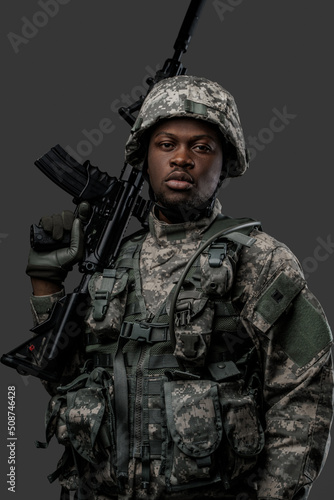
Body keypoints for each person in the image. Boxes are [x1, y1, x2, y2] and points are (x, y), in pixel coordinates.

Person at [26, 75, 333, 500]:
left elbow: (303, 397)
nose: (182, 158)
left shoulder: (258, 259)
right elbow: (69, 382)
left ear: (225, 162)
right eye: (166, 144)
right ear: (145, 157)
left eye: (202, 147)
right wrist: (46, 286)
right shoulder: (111, 258)